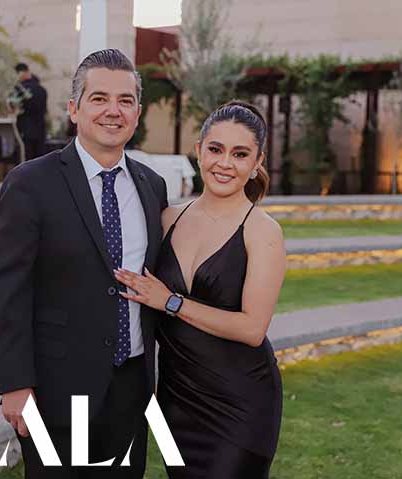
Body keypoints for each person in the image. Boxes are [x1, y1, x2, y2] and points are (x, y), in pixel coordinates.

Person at [0, 49, 168, 478]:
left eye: (125, 100)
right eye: (99, 98)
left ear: (137, 113)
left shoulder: (152, 186)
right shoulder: (30, 184)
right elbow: (8, 291)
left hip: (131, 387)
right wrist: (15, 384)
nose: (113, 111)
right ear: (74, 109)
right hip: (56, 389)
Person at [115, 101, 286, 478]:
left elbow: (252, 328)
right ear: (198, 151)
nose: (225, 163)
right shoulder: (167, 218)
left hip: (240, 404)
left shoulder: (262, 231)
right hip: (177, 400)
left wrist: (171, 302)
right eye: (215, 149)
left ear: (257, 161)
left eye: (240, 154)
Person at [13, 62, 48, 162]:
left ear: (21, 73)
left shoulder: (19, 89)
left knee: (27, 160)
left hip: (25, 129)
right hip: (40, 130)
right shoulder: (42, 90)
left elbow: (15, 107)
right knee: (40, 160)